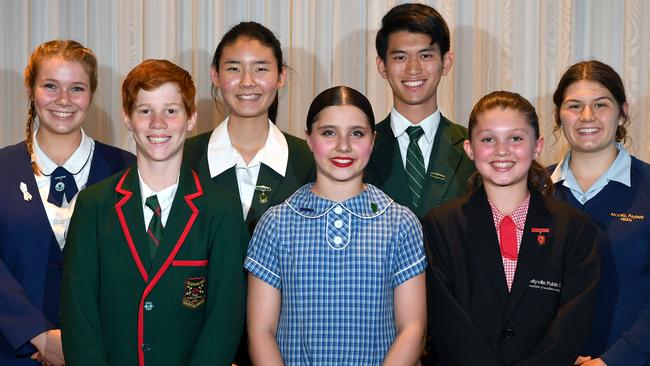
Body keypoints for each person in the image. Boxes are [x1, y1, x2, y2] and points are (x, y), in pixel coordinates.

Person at [60, 59, 248, 365]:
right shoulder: (93, 205)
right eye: (145, 110)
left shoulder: (221, 209)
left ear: (191, 119)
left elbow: (224, 319)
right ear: (127, 118)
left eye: (171, 111)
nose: (157, 123)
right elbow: (79, 315)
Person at [245, 86, 427, 365]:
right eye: (329, 132)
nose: (344, 146)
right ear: (309, 138)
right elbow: (261, 331)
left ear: (373, 139)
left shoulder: (400, 223)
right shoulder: (276, 223)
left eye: (357, 133)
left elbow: (412, 328)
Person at [423, 91, 600, 365]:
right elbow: (447, 323)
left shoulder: (574, 229)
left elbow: (570, 327)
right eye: (488, 139)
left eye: (515, 138)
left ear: (537, 146)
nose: (502, 150)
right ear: (470, 149)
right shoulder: (440, 226)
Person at [0, 40, 134, 366]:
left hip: (105, 352)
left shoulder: (126, 170)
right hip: (12, 352)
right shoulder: (2, 169)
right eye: (50, 86)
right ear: (31, 89)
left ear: (91, 94)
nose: (63, 100)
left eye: (76, 88)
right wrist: (38, 335)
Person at [550, 60, 650, 366]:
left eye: (600, 104)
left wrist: (615, 360)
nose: (587, 117)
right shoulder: (532, 192)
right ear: (558, 115)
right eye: (574, 106)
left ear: (623, 112)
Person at [184, 21, 315, 234]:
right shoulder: (184, 158)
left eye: (261, 69)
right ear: (215, 75)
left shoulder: (308, 160)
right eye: (234, 68)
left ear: (281, 77)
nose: (247, 81)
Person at [365, 3, 474, 218]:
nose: (413, 69)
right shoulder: (360, 147)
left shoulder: (473, 148)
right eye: (400, 57)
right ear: (381, 66)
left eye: (425, 56)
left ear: (446, 62)